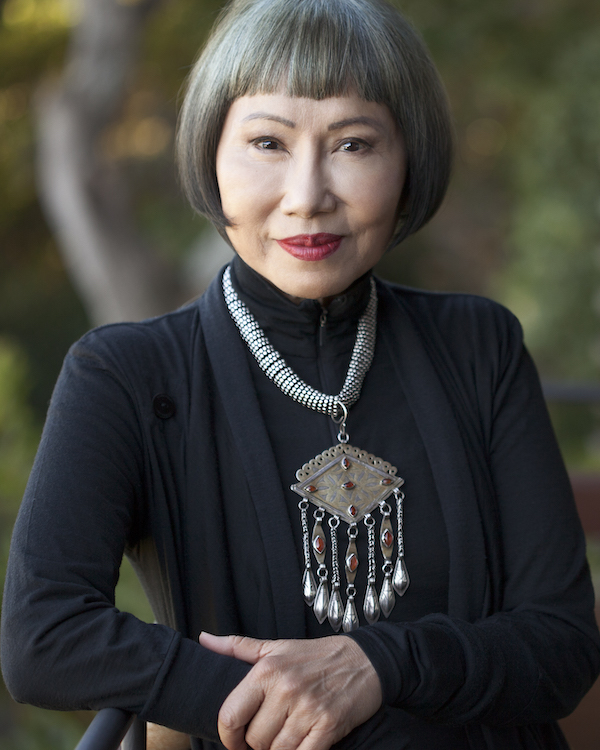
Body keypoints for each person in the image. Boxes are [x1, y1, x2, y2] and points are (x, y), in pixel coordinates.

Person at [2, 0, 600, 748]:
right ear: (209, 158)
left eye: (353, 144)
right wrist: (284, 701)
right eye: (267, 142)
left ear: (408, 160)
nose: (308, 195)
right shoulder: (125, 373)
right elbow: (45, 638)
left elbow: (563, 641)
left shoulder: (480, 347)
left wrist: (378, 666)